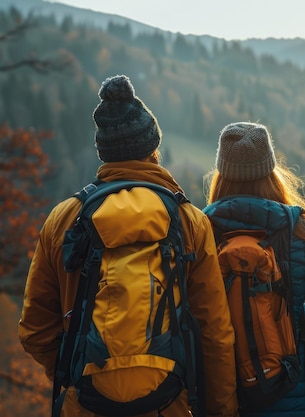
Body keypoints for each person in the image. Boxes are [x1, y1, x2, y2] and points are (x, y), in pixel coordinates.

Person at [18, 74, 239, 417]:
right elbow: (215, 333)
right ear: (154, 150)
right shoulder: (189, 221)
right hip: (170, 402)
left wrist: (76, 370)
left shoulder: (64, 218)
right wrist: (222, 410)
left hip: (85, 404)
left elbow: (34, 330)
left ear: (104, 154)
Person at [203, 121, 305, 417]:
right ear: (270, 170)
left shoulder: (198, 234)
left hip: (223, 402)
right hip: (296, 404)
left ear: (222, 173)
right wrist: (290, 310)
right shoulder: (300, 233)